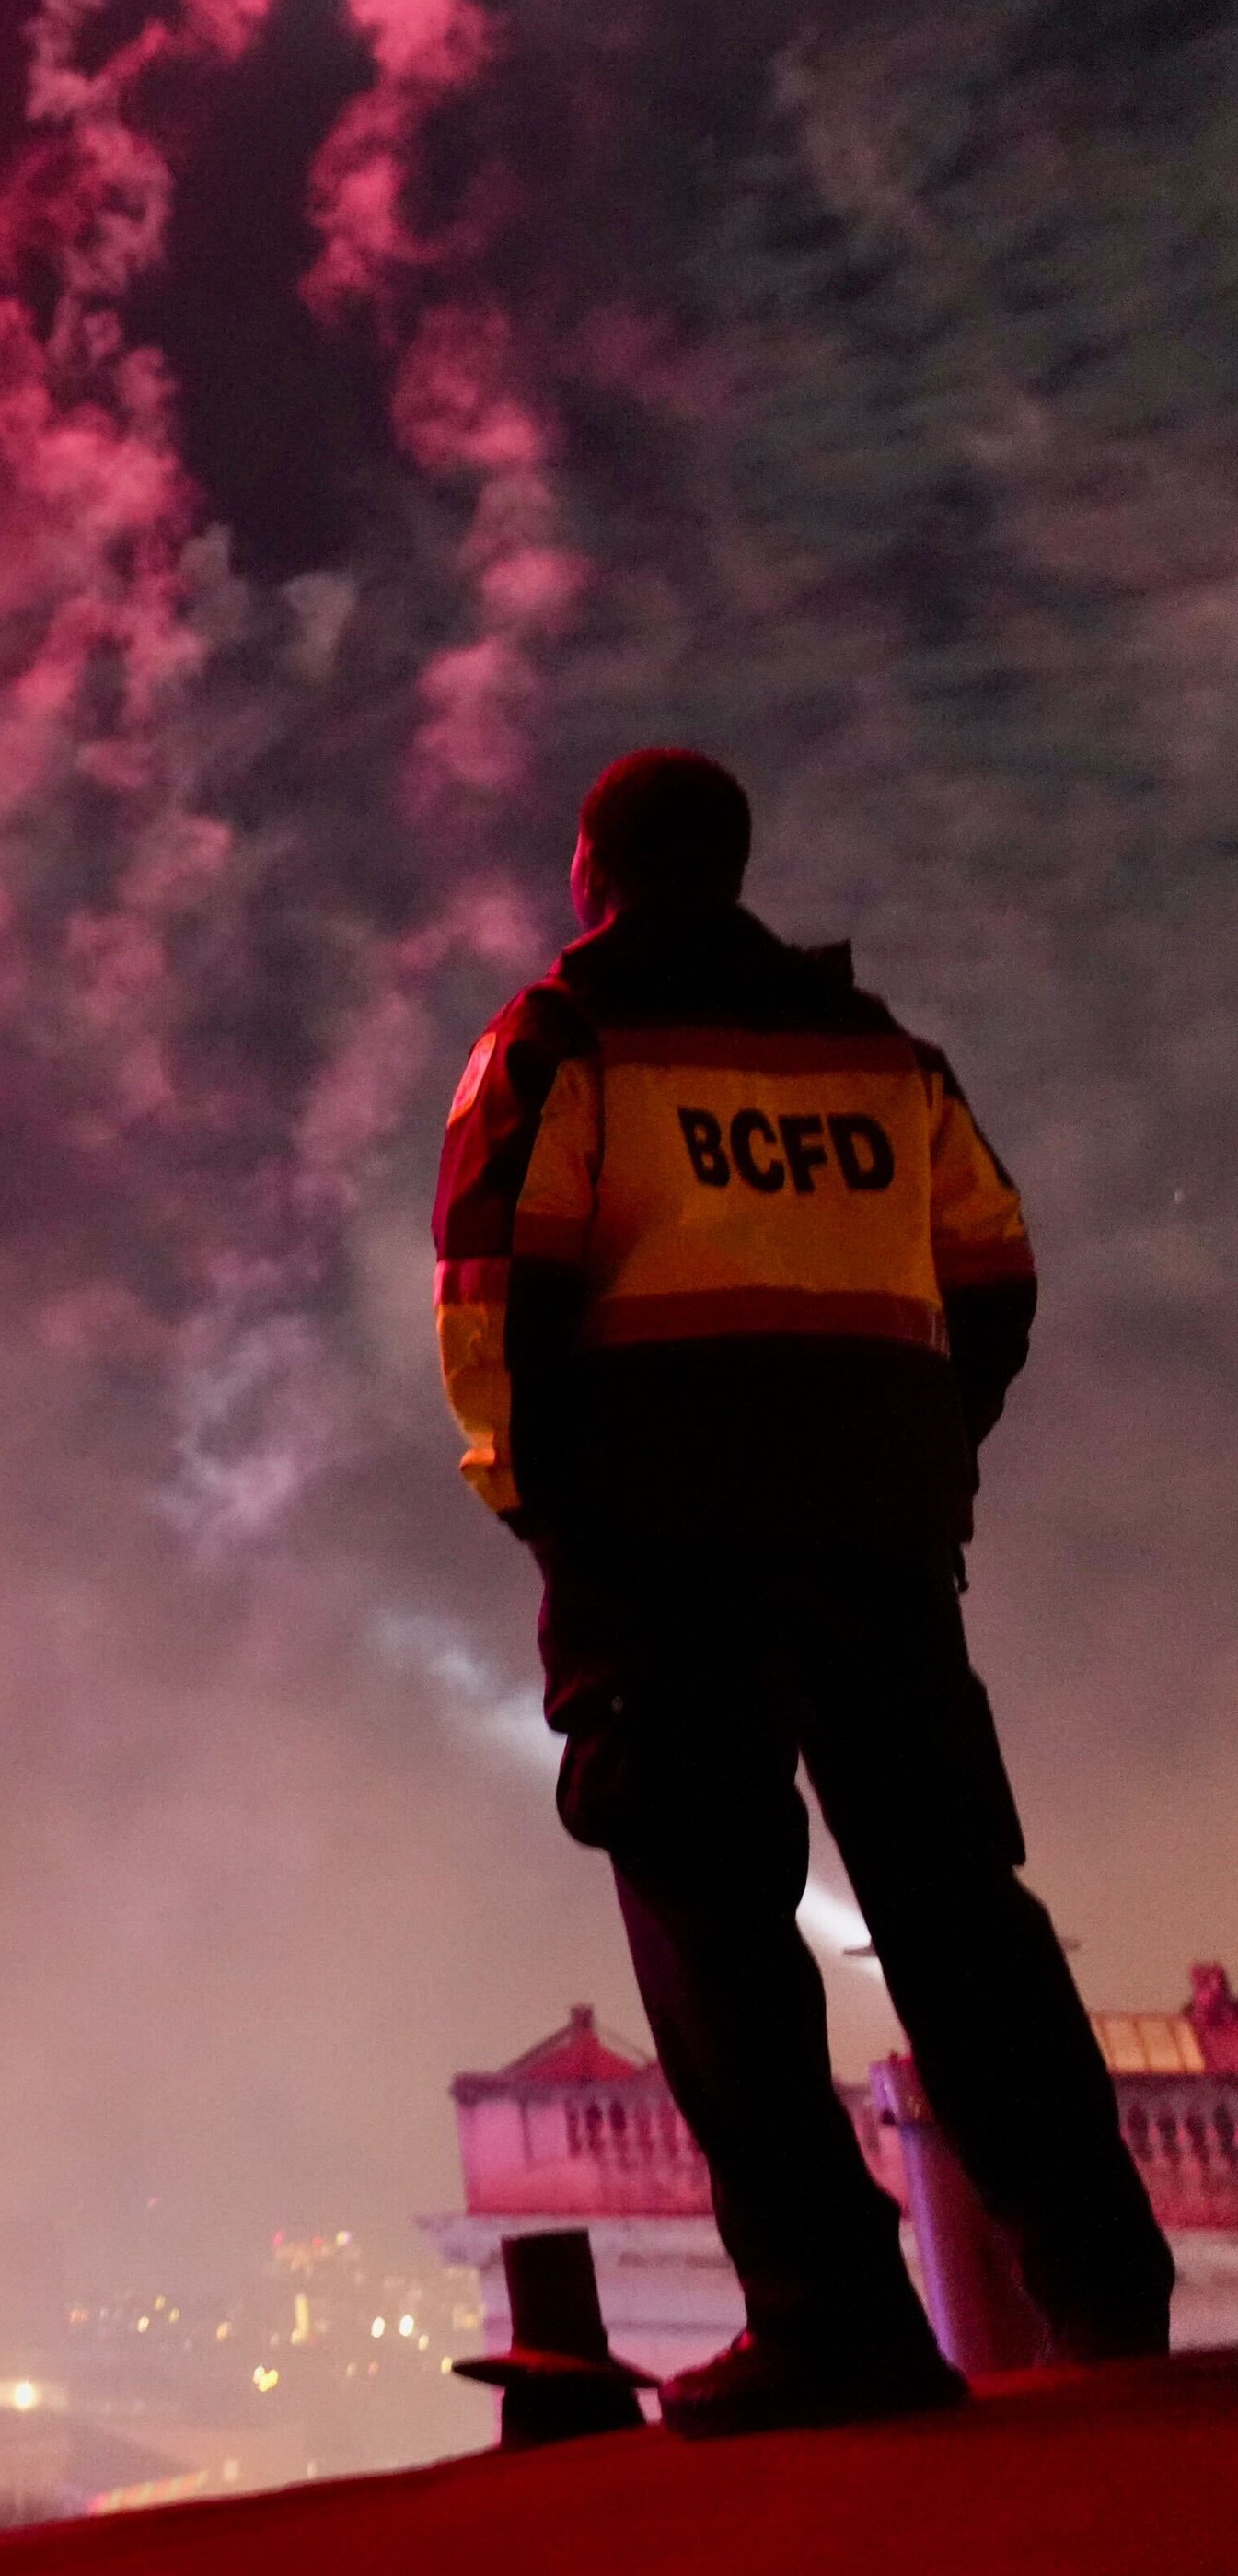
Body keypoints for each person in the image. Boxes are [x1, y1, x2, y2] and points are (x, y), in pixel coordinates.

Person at [431, 748, 1174, 2437]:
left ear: (591, 873)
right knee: (960, 1905)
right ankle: (1104, 2286)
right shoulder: (880, 1053)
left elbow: (487, 1302)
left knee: (717, 1926)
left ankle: (835, 2316)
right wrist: (916, 1456)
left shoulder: (558, 1044)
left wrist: (548, 1510)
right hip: (880, 1541)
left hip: (666, 1551)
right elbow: (996, 1270)